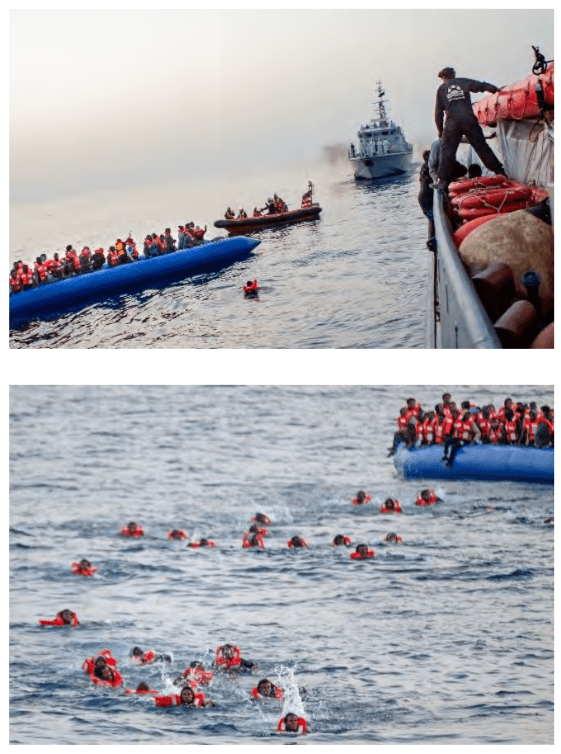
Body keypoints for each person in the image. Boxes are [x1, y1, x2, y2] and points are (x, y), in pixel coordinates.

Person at [432, 67, 506, 191]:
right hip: (469, 120)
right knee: (482, 147)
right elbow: (480, 85)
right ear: (453, 75)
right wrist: (495, 89)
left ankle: (443, 182)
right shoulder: (462, 82)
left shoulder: (441, 89)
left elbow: (438, 113)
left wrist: (440, 131)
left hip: (452, 124)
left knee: (447, 153)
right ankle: (500, 172)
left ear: (443, 78)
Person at [418, 150, 436, 250]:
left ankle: (431, 241)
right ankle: (431, 242)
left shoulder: (424, 166)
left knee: (431, 218)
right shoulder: (430, 167)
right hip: (426, 198)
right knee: (432, 218)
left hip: (423, 197)